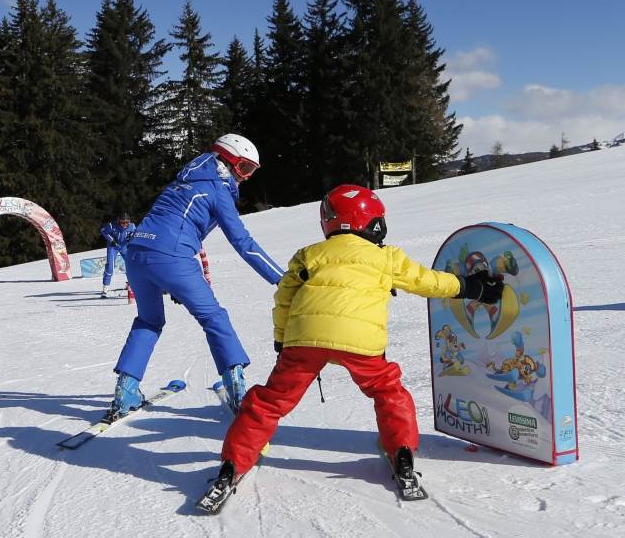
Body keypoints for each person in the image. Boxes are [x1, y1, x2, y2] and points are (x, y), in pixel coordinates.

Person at [201, 184, 504, 504]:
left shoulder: (308, 255)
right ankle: (402, 454)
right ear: (371, 222)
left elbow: (283, 299)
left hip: (304, 341)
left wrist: (281, 340)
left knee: (270, 401)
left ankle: (232, 465)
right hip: (361, 344)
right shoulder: (385, 257)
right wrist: (472, 288)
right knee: (388, 392)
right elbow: (426, 281)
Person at [106, 134, 285, 421]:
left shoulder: (182, 181)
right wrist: (281, 278)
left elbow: (171, 226)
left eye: (252, 171)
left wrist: (171, 277)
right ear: (226, 161)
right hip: (171, 258)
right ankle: (237, 392)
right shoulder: (217, 189)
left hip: (138, 254)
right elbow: (243, 242)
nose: (246, 178)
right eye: (244, 168)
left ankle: (125, 391)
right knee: (215, 318)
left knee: (148, 321)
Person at [99, 212, 135, 297]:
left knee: (131, 265)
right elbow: (103, 231)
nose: (125, 224)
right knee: (110, 266)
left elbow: (135, 234)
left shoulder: (132, 226)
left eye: (127, 222)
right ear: (119, 221)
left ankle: (131, 284)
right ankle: (105, 288)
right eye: (123, 222)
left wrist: (131, 238)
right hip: (113, 247)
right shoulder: (112, 226)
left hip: (124, 247)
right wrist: (111, 240)